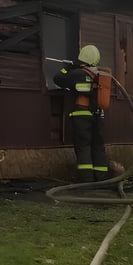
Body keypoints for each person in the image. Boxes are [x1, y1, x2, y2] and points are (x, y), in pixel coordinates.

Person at [53, 44, 109, 182]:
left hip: (82, 115)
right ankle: (101, 179)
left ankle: (86, 180)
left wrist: (68, 68)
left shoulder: (78, 74)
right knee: (97, 145)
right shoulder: (101, 75)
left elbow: (58, 78)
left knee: (83, 146)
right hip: (98, 115)